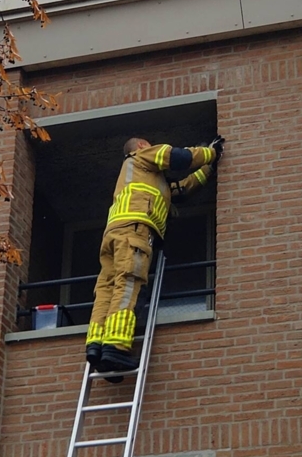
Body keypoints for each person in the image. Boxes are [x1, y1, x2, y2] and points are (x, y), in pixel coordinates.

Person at [86, 135, 225, 379]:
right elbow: (177, 157)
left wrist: (208, 168)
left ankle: (96, 345)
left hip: (115, 233)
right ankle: (116, 347)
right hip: (135, 230)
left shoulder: (144, 177)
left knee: (106, 288)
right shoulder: (143, 155)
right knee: (128, 283)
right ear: (141, 146)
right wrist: (210, 153)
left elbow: (179, 190)